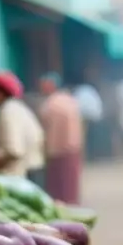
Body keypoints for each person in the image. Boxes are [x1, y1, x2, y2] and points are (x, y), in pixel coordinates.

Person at [0, 70, 45, 182]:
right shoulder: (18, 108)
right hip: (33, 170)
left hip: (24, 175)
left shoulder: (8, 111)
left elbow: (14, 151)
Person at [37, 73, 84, 204]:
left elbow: (43, 128)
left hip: (55, 149)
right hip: (73, 147)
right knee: (70, 186)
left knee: (58, 189)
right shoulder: (70, 100)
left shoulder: (49, 104)